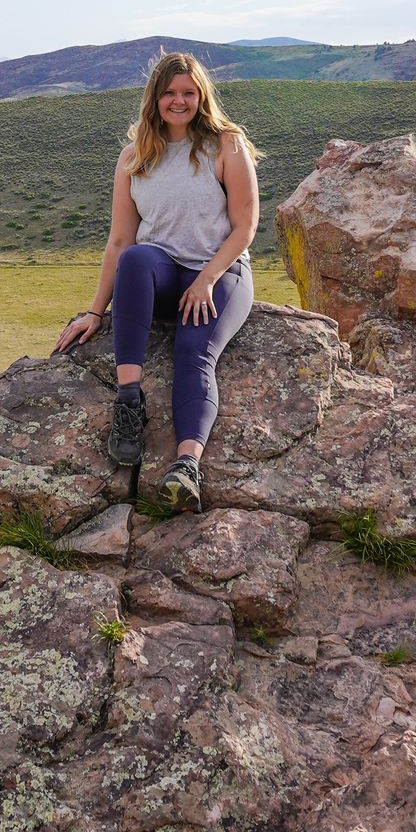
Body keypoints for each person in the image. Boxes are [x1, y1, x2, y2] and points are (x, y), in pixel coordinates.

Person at [53, 51, 260, 513]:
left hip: (220, 272)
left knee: (192, 352)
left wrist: (207, 279)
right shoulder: (134, 157)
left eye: (188, 92)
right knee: (136, 257)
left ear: (201, 95)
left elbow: (245, 227)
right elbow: (119, 240)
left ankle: (186, 467)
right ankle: (129, 403)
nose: (179, 101)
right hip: (164, 275)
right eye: (169, 93)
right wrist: (94, 312)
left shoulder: (226, 145)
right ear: (155, 99)